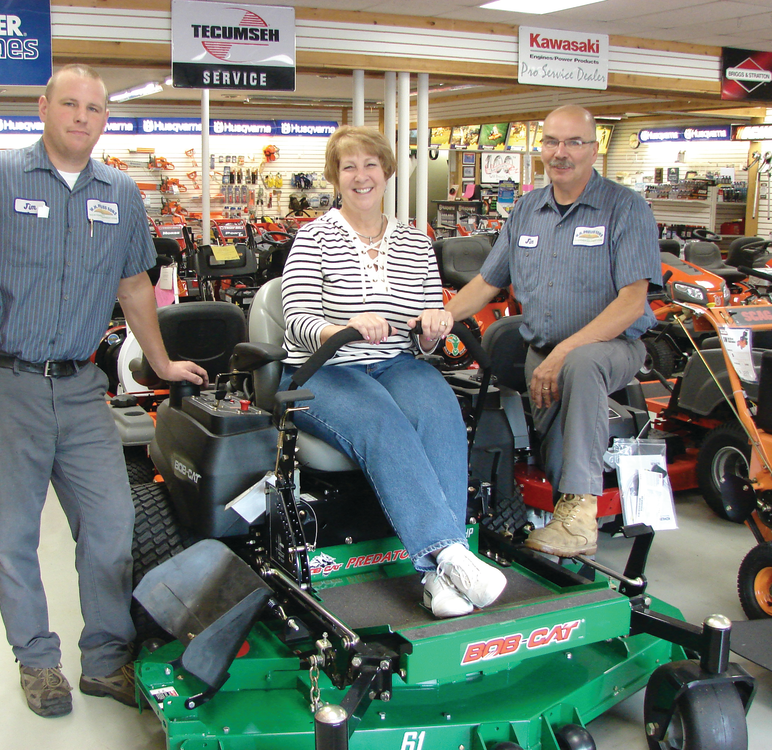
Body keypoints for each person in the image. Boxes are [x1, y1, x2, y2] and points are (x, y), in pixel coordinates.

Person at [0, 64, 208, 718]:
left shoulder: (119, 190)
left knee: (112, 525)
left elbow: (134, 286)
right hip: (1, 384)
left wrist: (164, 363)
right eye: (70, 104)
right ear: (44, 107)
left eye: (95, 107)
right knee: (14, 535)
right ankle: (38, 662)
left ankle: (105, 660)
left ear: (104, 118)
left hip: (81, 387)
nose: (82, 116)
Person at [280, 125, 506, 618]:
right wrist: (343, 327)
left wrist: (431, 328)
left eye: (370, 165)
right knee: (382, 419)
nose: (361, 176)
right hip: (322, 370)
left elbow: (422, 342)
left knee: (440, 408)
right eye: (349, 167)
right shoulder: (313, 237)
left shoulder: (414, 241)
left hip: (397, 363)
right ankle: (449, 555)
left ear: (387, 171)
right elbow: (297, 323)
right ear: (335, 177)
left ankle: (437, 577)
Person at [446, 105, 661, 558]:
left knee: (581, 363)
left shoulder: (625, 207)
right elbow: (487, 283)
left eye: (574, 142)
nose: (560, 153)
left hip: (611, 346)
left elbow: (631, 302)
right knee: (557, 449)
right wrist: (435, 319)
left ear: (593, 148)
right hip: (539, 353)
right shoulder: (527, 209)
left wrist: (564, 352)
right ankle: (561, 513)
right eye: (551, 142)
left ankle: (581, 514)